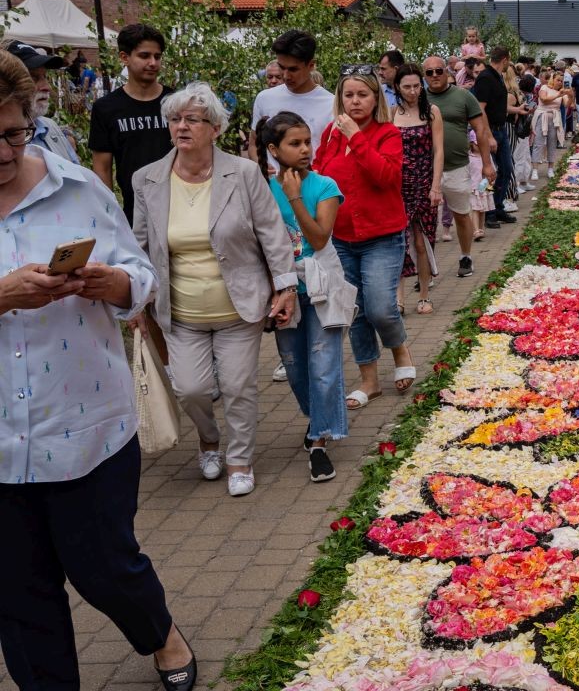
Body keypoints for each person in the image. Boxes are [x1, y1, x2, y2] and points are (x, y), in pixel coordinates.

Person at [0, 49, 197, 691]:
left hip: (85, 427)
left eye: (13, 134)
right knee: (18, 595)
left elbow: (140, 275)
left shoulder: (76, 187)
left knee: (106, 568)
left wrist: (115, 284)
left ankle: (161, 634)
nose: (3, 153)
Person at [131, 82, 296, 498]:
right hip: (181, 310)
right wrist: (134, 300)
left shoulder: (243, 173)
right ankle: (208, 440)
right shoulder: (147, 179)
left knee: (239, 387)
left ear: (215, 128)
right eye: (175, 119)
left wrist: (285, 286)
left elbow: (272, 231)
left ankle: (240, 459)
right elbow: (139, 246)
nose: (181, 127)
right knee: (190, 389)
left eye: (192, 119)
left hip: (238, 307)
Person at [313, 66, 416, 410]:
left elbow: (386, 176)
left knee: (380, 308)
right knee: (354, 311)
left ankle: (399, 348)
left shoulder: (387, 133)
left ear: (376, 99)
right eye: (348, 95)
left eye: (362, 95)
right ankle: (369, 381)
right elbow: (319, 176)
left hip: (382, 235)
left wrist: (356, 137)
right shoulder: (331, 134)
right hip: (341, 237)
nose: (355, 101)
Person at [256, 112, 348, 482]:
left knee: (323, 366)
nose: (305, 149)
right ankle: (318, 418)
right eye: (295, 143)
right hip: (283, 291)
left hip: (322, 287)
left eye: (308, 141)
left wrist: (295, 198)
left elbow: (319, 238)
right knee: (294, 367)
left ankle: (320, 442)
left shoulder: (325, 186)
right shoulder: (262, 190)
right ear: (273, 149)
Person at [88, 23, 173, 224]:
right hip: (134, 213)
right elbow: (102, 168)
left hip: (179, 207)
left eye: (157, 56)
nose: (153, 63)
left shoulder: (176, 102)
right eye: (144, 56)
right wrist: (109, 215)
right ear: (124, 57)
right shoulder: (106, 108)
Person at [424, 55, 495, 271]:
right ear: (424, 76)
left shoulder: (463, 96)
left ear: (447, 71)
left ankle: (466, 256)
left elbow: (480, 130)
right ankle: (427, 269)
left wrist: (486, 164)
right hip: (426, 170)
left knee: (462, 215)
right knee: (425, 221)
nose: (435, 75)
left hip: (457, 166)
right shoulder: (419, 98)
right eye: (429, 72)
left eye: (439, 70)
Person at [392, 63, 444, 314]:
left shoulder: (431, 112)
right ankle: (398, 299)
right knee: (398, 243)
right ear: (397, 87)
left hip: (424, 184)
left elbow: (439, 151)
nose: (412, 91)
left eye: (416, 86)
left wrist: (436, 186)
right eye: (407, 87)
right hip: (397, 187)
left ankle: (424, 295)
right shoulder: (391, 113)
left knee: (422, 242)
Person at [250, 30, 336, 174]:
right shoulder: (264, 98)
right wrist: (260, 163)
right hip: (271, 186)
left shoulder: (331, 104)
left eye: (293, 69)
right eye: (282, 67)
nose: (285, 75)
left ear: (311, 65)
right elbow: (253, 143)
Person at [473, 46, 525, 226]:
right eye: (508, 61)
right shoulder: (486, 78)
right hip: (491, 131)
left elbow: (498, 105)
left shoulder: (498, 77)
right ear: (504, 59)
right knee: (490, 173)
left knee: (506, 169)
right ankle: (488, 212)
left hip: (501, 129)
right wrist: (488, 135)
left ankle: (498, 206)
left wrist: (517, 110)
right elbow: (480, 109)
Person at [5, 40, 80, 163]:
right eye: (33, 78)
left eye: (45, 76)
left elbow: (76, 173)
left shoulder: (50, 127)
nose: (47, 87)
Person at [531, 70, 566, 176]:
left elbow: (569, 105)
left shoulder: (561, 91)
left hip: (554, 118)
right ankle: (535, 169)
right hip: (542, 115)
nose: (560, 82)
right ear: (553, 79)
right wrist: (558, 95)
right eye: (558, 80)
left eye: (561, 81)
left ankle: (550, 168)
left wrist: (571, 95)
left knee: (552, 143)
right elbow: (544, 99)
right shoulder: (544, 87)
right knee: (538, 142)